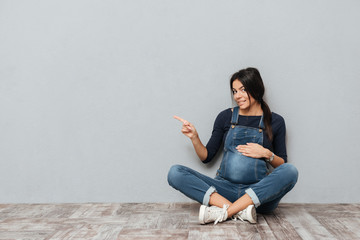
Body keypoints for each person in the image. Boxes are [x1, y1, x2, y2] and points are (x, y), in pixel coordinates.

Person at [167, 67, 298, 225]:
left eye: (243, 90)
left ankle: (227, 212)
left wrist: (266, 153)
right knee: (175, 173)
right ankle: (241, 211)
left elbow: (282, 164)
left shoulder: (275, 121)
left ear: (256, 88)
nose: (238, 96)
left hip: (259, 194)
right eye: (234, 91)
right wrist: (194, 137)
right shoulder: (225, 117)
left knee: (291, 171)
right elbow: (206, 157)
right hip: (224, 190)